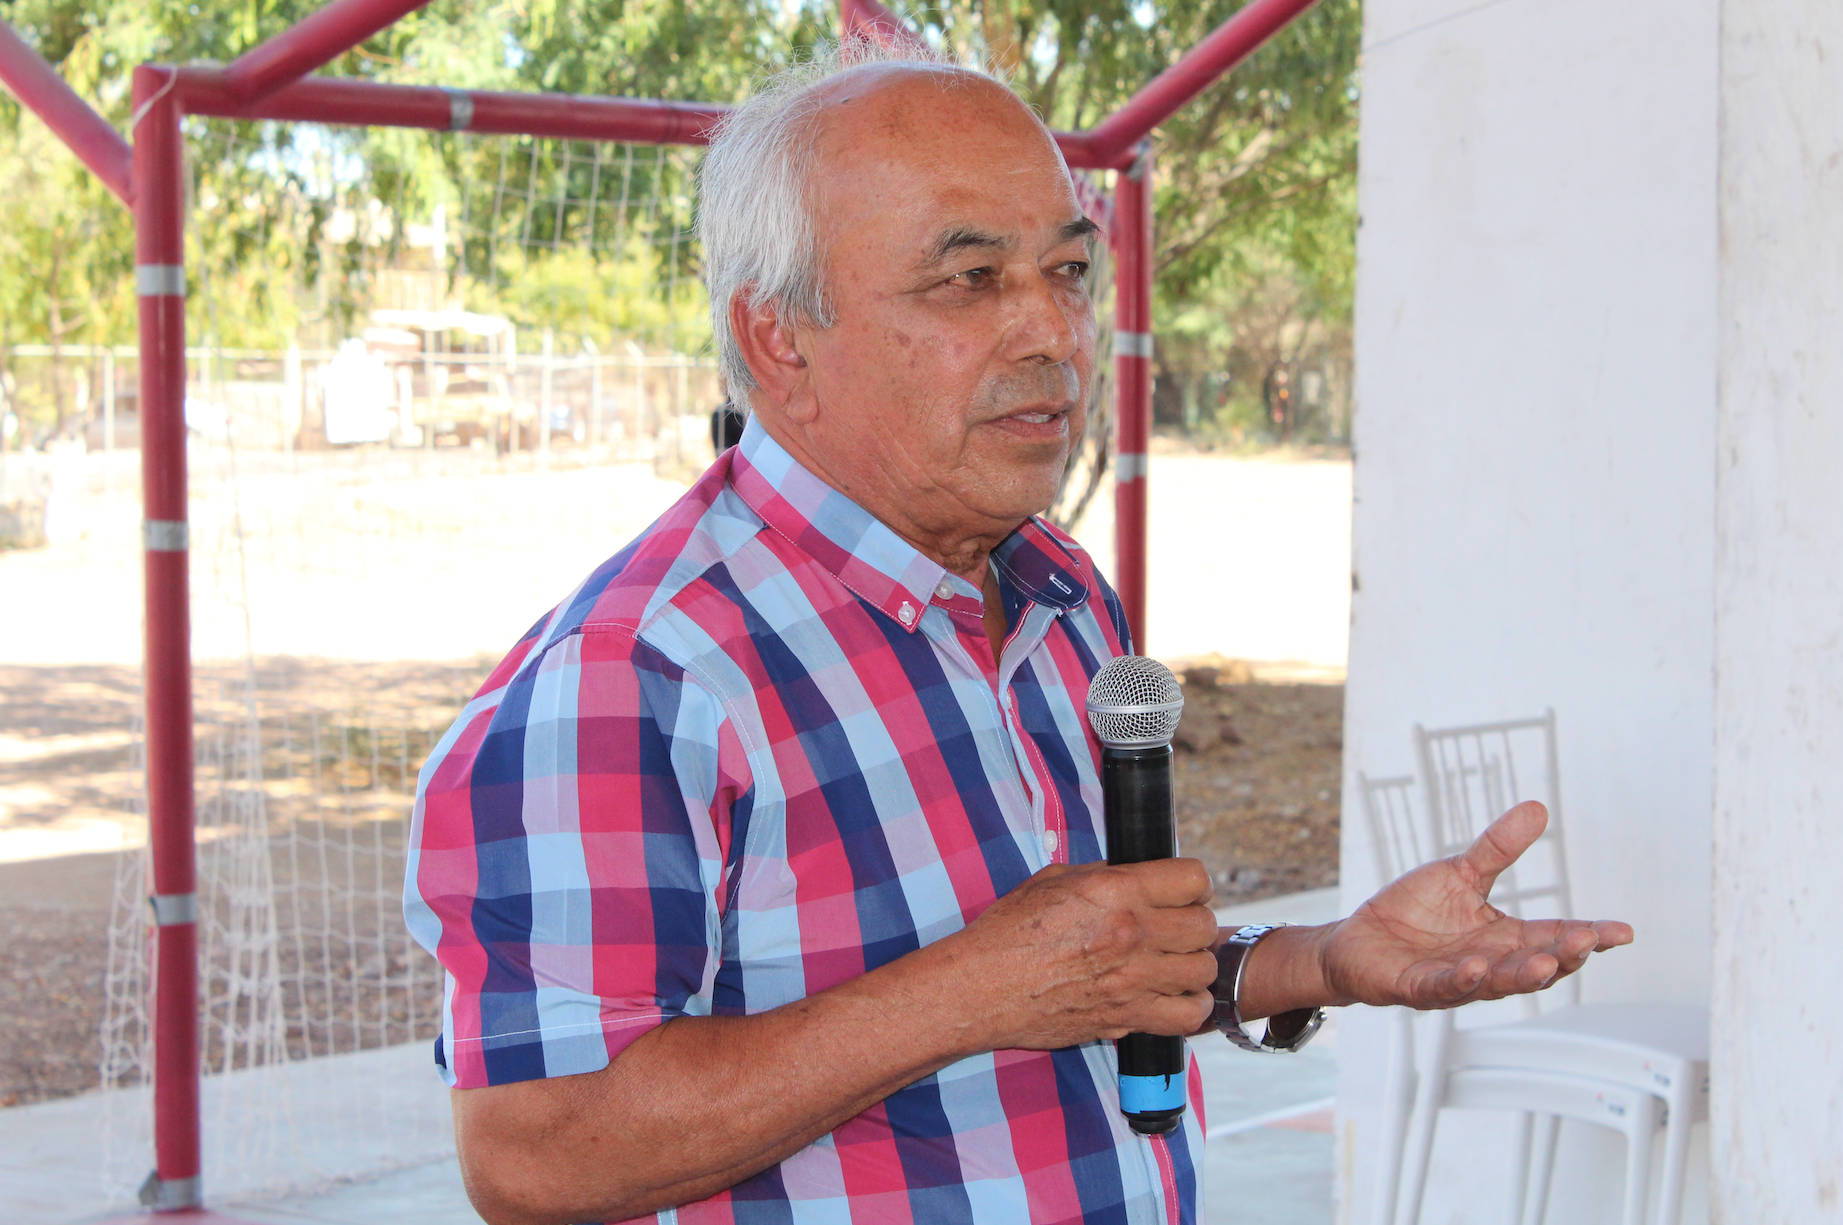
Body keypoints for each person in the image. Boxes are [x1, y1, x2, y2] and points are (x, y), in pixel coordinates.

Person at [404, 42, 1632, 1225]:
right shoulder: (639, 676)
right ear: (780, 338)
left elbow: (1092, 965)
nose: (1051, 331)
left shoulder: (1058, 593)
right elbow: (533, 1149)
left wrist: (1323, 960)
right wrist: (972, 991)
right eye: (970, 280)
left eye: (1067, 271)